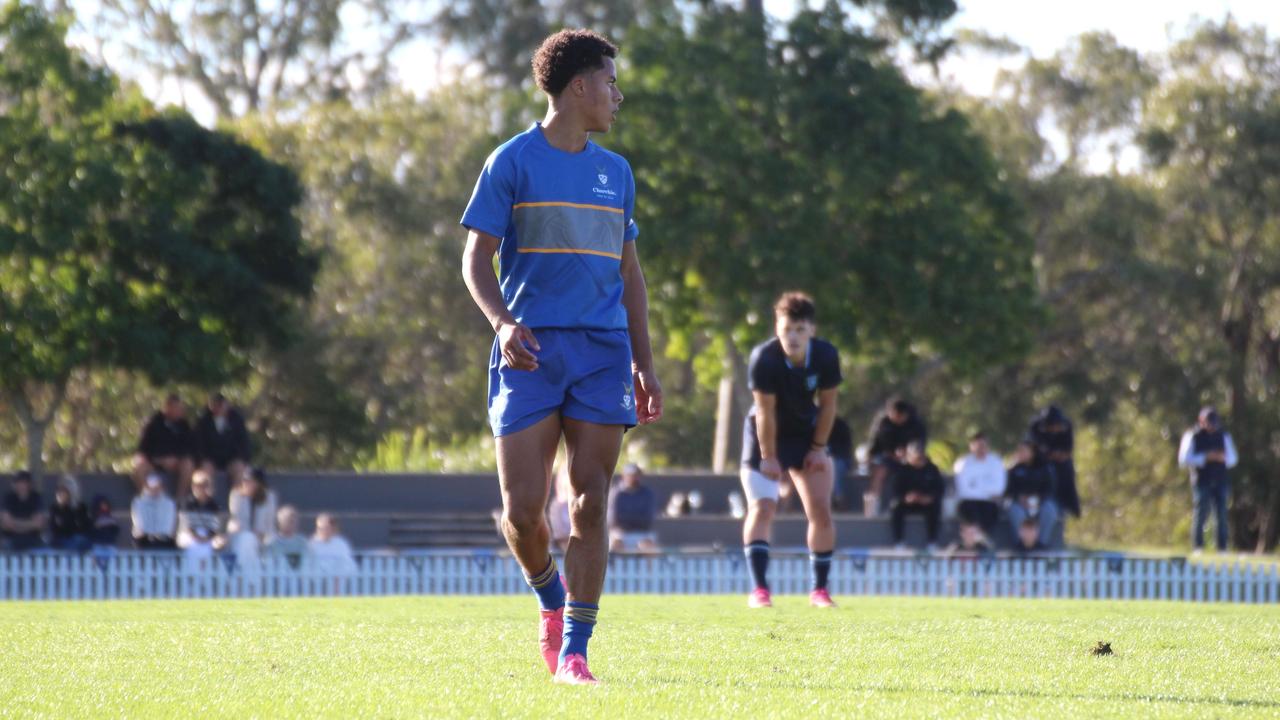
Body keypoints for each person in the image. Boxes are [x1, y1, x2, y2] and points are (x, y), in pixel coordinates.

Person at [459, 28, 662, 685]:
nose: (616, 95)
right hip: (529, 351)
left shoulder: (618, 172)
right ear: (578, 87)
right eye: (609, 82)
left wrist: (644, 362)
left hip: (602, 354)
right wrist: (502, 324)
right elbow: (474, 259)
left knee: (591, 502)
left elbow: (630, 275)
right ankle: (549, 599)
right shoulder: (511, 161)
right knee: (522, 514)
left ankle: (576, 649)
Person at [739, 292, 842, 609]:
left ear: (811, 330)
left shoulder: (825, 356)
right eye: (786, 330)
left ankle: (819, 591)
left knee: (821, 511)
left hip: (805, 435)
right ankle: (760, 591)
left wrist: (818, 449)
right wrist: (769, 457)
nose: (792, 337)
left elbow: (828, 406)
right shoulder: (765, 359)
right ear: (777, 329)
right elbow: (765, 413)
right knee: (764, 507)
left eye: (799, 329)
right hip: (764, 436)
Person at [1178, 406, 1238, 553]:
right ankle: (1198, 547)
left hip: (1220, 480)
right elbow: (1183, 459)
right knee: (1201, 513)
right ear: (1201, 421)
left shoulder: (1223, 436)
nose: (1212, 426)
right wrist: (1205, 457)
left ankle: (1222, 548)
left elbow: (1233, 459)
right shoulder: (1192, 435)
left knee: (1221, 514)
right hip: (1201, 480)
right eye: (1209, 422)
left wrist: (1221, 458)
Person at [866, 397, 927, 516]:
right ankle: (873, 506)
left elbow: (920, 443)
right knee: (879, 471)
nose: (897, 419)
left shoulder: (916, 423)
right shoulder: (883, 422)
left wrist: (908, 453)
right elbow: (875, 442)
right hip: (886, 455)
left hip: (910, 456)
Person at [132, 394, 196, 498]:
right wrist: (159, 459)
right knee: (138, 467)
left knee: (188, 464)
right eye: (176, 408)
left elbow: (189, 447)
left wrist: (175, 458)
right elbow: (143, 448)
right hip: (155, 461)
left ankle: (180, 498)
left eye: (180, 408)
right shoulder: (153, 423)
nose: (179, 411)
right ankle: (147, 496)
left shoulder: (184, 425)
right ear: (167, 407)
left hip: (176, 462)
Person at [1028, 405, 1081, 519]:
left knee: (1067, 471)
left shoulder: (1066, 426)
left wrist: (1058, 455)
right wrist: (1049, 454)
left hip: (1061, 463)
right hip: (1040, 463)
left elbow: (1068, 450)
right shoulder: (1036, 427)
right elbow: (1035, 449)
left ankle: (1070, 506)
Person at [889, 442, 944, 550]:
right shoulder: (902, 470)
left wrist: (929, 497)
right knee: (896, 508)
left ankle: (932, 541)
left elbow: (940, 489)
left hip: (926, 503)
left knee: (936, 507)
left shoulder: (932, 469)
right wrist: (905, 498)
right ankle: (899, 541)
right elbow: (896, 490)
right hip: (907, 503)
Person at [194, 393, 252, 496]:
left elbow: (244, 443)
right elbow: (199, 444)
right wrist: (203, 459)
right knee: (205, 470)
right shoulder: (203, 421)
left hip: (231, 458)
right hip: (211, 458)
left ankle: (236, 500)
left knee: (239, 469)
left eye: (221, 405)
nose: (218, 408)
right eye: (215, 405)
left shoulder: (237, 420)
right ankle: (208, 500)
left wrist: (242, 459)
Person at [1005, 441, 1059, 547]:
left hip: (1039, 502)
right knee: (1015, 511)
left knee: (1050, 510)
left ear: (1032, 452)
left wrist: (1039, 498)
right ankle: (1021, 544)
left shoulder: (1044, 468)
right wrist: (1020, 498)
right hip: (1019, 503)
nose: (1021, 453)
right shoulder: (1014, 470)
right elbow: (1009, 490)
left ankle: (1041, 544)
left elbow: (1049, 489)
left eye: (1024, 451)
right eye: (1019, 451)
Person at [953, 431, 1006, 531]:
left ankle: (980, 541)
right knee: (970, 511)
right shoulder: (963, 463)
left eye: (984, 445)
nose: (981, 449)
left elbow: (998, 489)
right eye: (978, 446)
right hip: (969, 502)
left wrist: (976, 485)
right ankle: (977, 541)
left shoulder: (996, 462)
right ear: (971, 446)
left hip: (989, 503)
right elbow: (964, 490)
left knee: (990, 512)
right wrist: (987, 488)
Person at [607, 463, 658, 552]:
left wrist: (632, 521)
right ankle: (614, 565)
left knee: (648, 546)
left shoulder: (647, 493)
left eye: (636, 475)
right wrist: (624, 525)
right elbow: (612, 517)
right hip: (621, 533)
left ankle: (650, 566)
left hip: (642, 532)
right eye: (630, 475)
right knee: (615, 543)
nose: (633, 477)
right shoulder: (616, 493)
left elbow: (648, 517)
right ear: (624, 475)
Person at [229, 467, 278, 545]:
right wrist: (251, 536)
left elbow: (270, 522)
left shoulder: (269, 497)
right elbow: (237, 519)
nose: (245, 483)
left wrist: (261, 535)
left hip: (262, 536)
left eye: (249, 480)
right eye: (244, 480)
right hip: (242, 535)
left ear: (258, 483)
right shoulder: (236, 495)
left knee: (272, 540)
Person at [176, 470, 223, 550]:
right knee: (185, 540)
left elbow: (215, 527)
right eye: (197, 485)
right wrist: (196, 537)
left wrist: (207, 537)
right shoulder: (186, 504)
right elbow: (186, 526)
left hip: (208, 535)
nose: (200, 488)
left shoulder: (215, 505)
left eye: (204, 485)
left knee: (220, 542)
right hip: (189, 534)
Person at [2, 471, 47, 551]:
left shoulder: (36, 498)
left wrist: (15, 523)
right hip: (11, 540)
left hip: (33, 539)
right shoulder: (8, 498)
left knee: (45, 551)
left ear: (29, 484)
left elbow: (39, 524)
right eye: (18, 482)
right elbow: (6, 525)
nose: (21, 485)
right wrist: (30, 523)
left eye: (24, 482)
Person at [131, 473, 177, 549]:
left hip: (164, 540)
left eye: (157, 487)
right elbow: (140, 525)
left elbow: (168, 527)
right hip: (143, 539)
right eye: (151, 488)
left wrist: (157, 535)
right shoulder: (138, 502)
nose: (155, 490)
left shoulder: (169, 503)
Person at [48, 475, 91, 552]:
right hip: (60, 540)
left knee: (82, 541)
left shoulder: (81, 507)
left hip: (77, 539)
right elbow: (55, 529)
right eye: (59, 490)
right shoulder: (55, 508)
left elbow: (83, 527)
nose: (60, 493)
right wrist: (61, 509)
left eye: (63, 491)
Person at [828, 418, 855, 511]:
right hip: (823, 459)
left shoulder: (841, 425)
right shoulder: (813, 423)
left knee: (835, 466)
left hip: (841, 459)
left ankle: (838, 497)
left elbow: (845, 449)